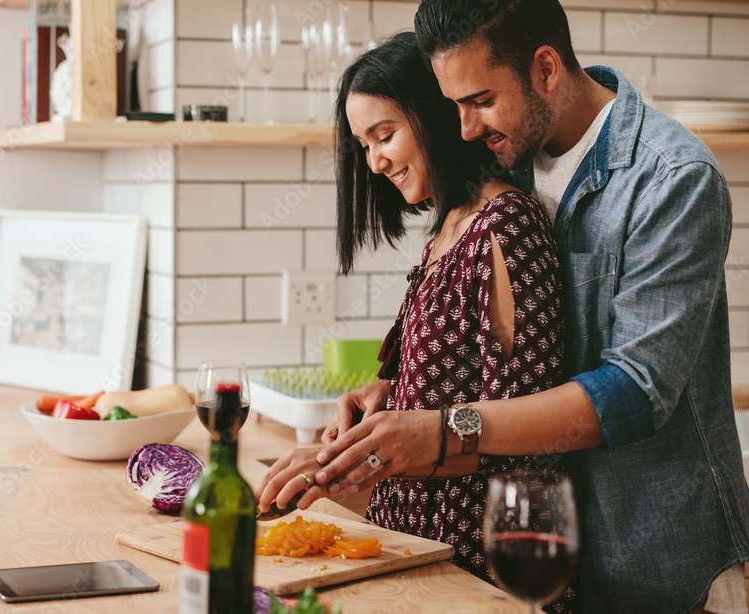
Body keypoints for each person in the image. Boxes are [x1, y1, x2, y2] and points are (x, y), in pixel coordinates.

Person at [262, 1, 749, 613]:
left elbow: (636, 389)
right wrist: (406, 392)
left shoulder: (672, 176)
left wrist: (445, 427)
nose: (464, 128)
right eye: (454, 105)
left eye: (480, 100)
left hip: (657, 557)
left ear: (546, 68)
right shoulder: (509, 155)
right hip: (545, 543)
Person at [256, 31, 575, 611]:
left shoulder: (506, 228)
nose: (375, 161)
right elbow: (461, 384)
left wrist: (345, 464)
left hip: (474, 567)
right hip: (414, 548)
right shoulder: (448, 229)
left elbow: (521, 436)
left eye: (385, 135)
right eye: (364, 144)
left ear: (432, 114)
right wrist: (393, 394)